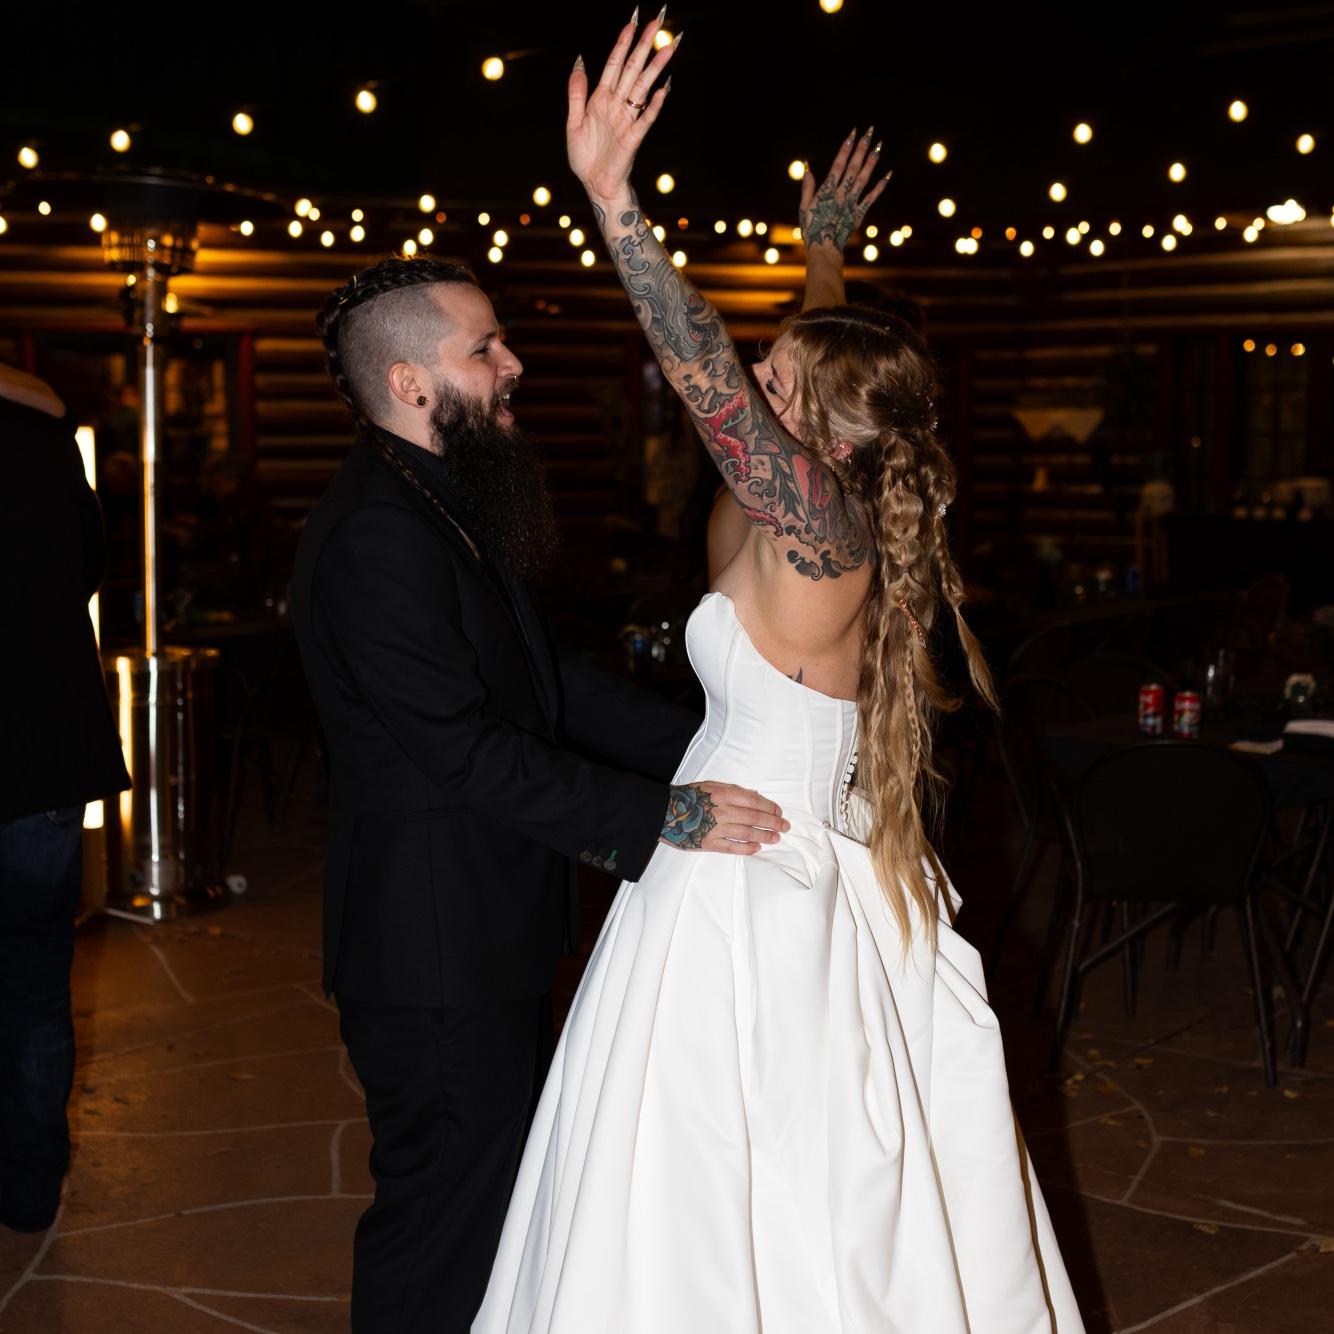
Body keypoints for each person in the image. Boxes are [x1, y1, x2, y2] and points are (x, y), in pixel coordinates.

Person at [474, 15, 1084, 1333]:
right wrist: (820, 258)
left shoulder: (821, 531)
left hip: (755, 884)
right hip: (736, 848)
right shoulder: (809, 513)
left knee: (743, 1182)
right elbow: (793, 375)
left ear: (822, 430)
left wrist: (613, 201)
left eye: (780, 378)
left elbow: (705, 373)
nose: (757, 373)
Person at [290, 256, 786, 1333]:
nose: (512, 363)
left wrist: (720, 748)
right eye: (484, 348)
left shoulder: (440, 498)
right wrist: (670, 816)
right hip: (431, 947)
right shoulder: (377, 531)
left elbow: (547, 684)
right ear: (410, 382)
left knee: (490, 1206)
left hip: (480, 926)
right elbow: (464, 750)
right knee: (440, 1222)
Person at [0, 366, 130, 1233]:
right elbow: (87, 567)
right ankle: (29, 1190)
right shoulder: (44, 433)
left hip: (39, 749)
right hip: (41, 751)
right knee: (37, 979)